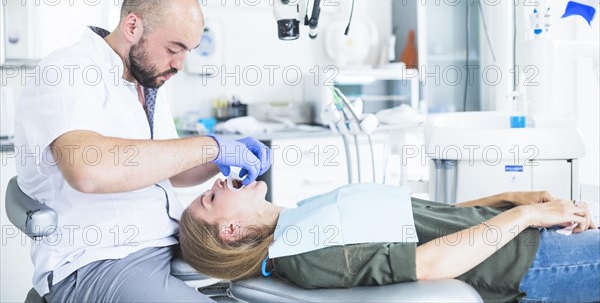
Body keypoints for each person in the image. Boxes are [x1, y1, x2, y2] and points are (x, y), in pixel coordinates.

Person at [14, 0, 272, 303]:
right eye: (173, 49)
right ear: (132, 26)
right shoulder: (70, 70)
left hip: (163, 242)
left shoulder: (146, 83)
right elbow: (87, 169)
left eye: (187, 52)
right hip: (99, 260)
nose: (179, 64)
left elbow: (168, 169)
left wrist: (219, 159)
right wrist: (210, 146)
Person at [179, 178, 600, 303]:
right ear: (229, 231)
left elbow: (426, 218)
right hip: (528, 262)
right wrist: (525, 215)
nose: (217, 181)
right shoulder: (305, 255)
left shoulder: (301, 216)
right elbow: (431, 265)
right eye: (212, 197)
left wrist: (509, 199)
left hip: (526, 236)